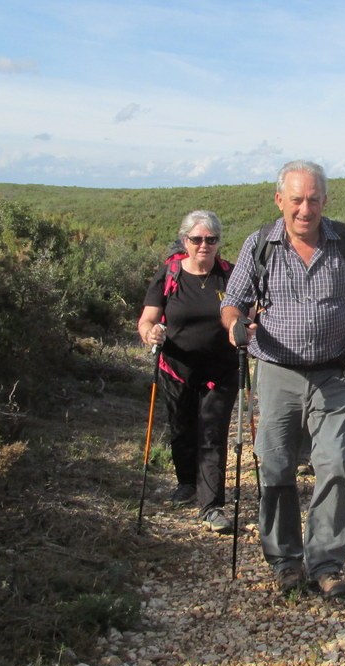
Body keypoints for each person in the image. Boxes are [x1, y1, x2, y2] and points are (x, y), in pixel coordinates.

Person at [220, 160, 345, 598]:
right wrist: (236, 327)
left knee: (335, 464)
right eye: (296, 199)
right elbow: (233, 302)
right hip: (276, 373)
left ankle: (327, 564)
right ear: (280, 200)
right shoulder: (260, 244)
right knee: (276, 465)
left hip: (334, 372)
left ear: (325, 200)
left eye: (313, 199)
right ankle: (286, 561)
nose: (304, 209)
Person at [137, 210, 238, 535]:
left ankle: (212, 506)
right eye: (197, 239)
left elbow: (248, 313)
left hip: (221, 372)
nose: (204, 245)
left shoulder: (230, 276)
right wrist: (150, 332)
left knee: (212, 434)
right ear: (185, 241)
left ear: (219, 242)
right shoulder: (169, 274)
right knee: (181, 428)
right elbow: (147, 319)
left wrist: (248, 326)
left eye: (211, 239)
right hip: (176, 369)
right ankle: (186, 482)